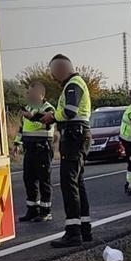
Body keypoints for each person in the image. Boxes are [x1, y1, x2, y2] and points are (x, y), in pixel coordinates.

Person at [41, 54, 93, 247]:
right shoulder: (75, 84)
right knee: (77, 183)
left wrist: (52, 116)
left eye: (54, 73)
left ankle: (73, 233)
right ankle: (84, 229)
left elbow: (69, 111)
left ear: (61, 69)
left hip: (74, 136)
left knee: (68, 183)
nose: (53, 78)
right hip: (78, 135)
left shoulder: (73, 85)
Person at [14, 81, 55, 222]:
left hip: (43, 147)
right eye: (28, 93)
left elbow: (46, 124)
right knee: (29, 179)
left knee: (44, 180)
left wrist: (31, 116)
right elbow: (22, 128)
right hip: (29, 148)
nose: (29, 95)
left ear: (41, 94)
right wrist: (17, 143)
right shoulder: (27, 107)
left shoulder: (48, 108)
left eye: (32, 92)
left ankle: (46, 212)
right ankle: (32, 210)